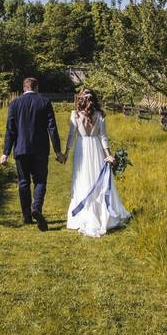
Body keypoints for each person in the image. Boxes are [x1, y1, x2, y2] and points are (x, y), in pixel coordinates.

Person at [61, 88, 131, 237]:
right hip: (96, 149)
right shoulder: (100, 115)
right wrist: (109, 155)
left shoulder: (75, 115)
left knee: (82, 180)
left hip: (82, 150)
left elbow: (71, 136)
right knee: (98, 181)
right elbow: (103, 138)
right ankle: (99, 214)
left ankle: (84, 216)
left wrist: (66, 153)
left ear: (80, 99)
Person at [1, 77, 63, 231]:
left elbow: (10, 130)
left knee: (23, 182)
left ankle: (27, 216)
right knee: (40, 180)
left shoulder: (14, 103)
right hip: (40, 149)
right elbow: (52, 128)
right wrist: (57, 151)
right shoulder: (44, 102)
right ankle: (37, 208)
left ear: (24, 88)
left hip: (21, 149)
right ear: (36, 87)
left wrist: (5, 153)